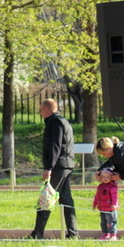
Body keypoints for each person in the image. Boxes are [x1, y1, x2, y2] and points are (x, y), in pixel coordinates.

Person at [30, 98, 78, 239]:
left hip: (58, 166)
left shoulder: (55, 122)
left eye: (41, 110)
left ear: (46, 109)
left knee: (46, 197)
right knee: (66, 199)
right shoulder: (64, 121)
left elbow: (55, 146)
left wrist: (49, 167)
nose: (40, 113)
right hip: (66, 164)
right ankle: (73, 233)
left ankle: (37, 233)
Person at [92, 169, 119, 241]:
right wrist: (95, 203)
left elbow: (114, 196)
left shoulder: (112, 187)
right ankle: (105, 233)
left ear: (111, 178)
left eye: (108, 177)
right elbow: (97, 196)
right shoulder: (100, 187)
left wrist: (114, 204)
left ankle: (113, 234)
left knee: (111, 222)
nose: (105, 179)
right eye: (103, 177)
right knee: (103, 222)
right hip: (102, 208)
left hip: (110, 209)